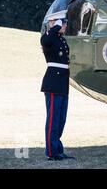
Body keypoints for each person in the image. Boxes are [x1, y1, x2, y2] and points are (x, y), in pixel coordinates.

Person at [41, 10, 75, 161]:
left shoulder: (60, 40)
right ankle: (51, 152)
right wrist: (55, 26)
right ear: (55, 23)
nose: (65, 25)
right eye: (63, 22)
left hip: (62, 82)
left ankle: (58, 149)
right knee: (53, 119)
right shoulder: (48, 38)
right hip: (53, 82)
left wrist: (58, 27)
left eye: (65, 22)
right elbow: (46, 41)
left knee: (61, 119)